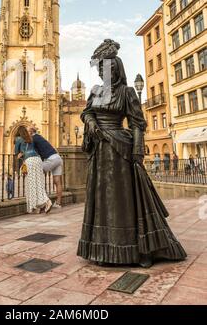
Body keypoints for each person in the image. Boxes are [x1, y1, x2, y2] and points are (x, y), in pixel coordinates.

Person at [77, 39, 187, 268]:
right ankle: (105, 248)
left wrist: (138, 151)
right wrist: (91, 123)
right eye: (102, 70)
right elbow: (87, 113)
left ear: (116, 70)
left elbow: (137, 123)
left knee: (126, 199)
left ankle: (140, 249)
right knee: (104, 202)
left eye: (108, 69)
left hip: (120, 151)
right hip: (100, 151)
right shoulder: (96, 92)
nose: (104, 73)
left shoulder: (127, 93)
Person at [15, 126, 52, 214]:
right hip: (38, 160)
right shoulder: (31, 138)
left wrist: (20, 154)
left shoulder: (19, 139)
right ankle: (39, 207)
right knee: (39, 183)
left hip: (30, 161)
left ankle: (46, 201)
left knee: (32, 184)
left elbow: (16, 152)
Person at [28, 127, 63, 208]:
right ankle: (58, 203)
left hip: (51, 159)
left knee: (36, 173)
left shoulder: (33, 138)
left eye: (27, 132)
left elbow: (33, 152)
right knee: (57, 181)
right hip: (58, 158)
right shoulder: (40, 137)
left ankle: (43, 201)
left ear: (31, 132)